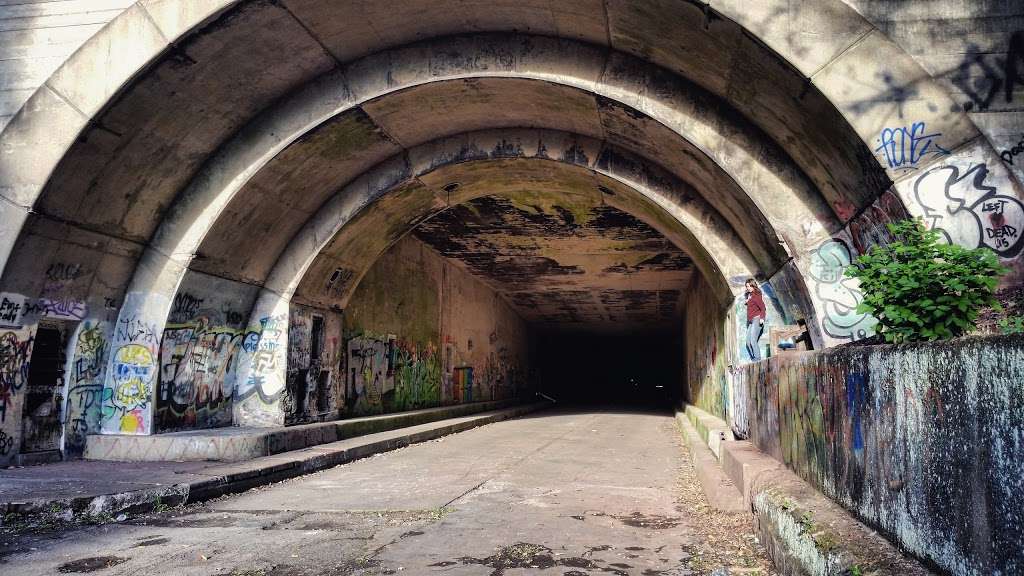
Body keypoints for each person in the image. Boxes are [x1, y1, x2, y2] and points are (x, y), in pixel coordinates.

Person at [744, 278, 766, 360]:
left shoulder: (756, 295)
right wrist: (747, 302)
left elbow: (763, 307)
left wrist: (762, 318)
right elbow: (752, 305)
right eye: (747, 286)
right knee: (748, 342)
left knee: (753, 341)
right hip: (751, 321)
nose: (748, 288)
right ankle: (754, 358)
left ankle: (757, 358)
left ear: (753, 286)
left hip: (757, 319)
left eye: (749, 286)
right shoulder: (750, 295)